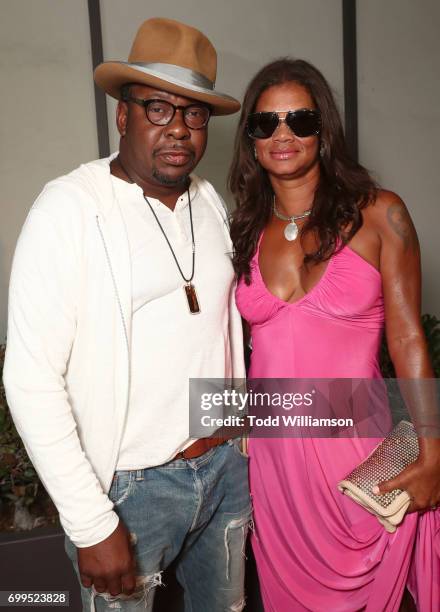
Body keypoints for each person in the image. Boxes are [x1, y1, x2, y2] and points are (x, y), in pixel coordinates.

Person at [4, 18, 250, 612]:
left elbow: (220, 333)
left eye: (194, 114)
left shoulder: (209, 201)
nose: (179, 130)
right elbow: (30, 376)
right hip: (129, 489)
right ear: (123, 114)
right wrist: (91, 522)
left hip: (222, 468)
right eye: (159, 109)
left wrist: (244, 444)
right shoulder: (70, 208)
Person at [230, 58, 440, 611]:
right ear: (250, 138)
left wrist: (433, 450)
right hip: (274, 466)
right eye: (266, 122)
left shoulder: (381, 214)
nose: (283, 135)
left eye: (299, 120)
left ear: (323, 131)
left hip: (357, 451)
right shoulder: (242, 228)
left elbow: (408, 340)